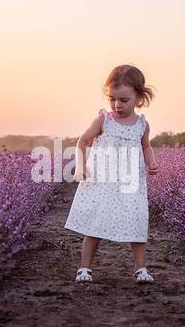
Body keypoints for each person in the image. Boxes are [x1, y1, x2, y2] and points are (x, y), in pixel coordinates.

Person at [64, 64, 159, 283]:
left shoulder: (142, 125)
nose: (117, 105)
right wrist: (80, 166)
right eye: (112, 99)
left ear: (139, 99)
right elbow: (82, 141)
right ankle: (84, 268)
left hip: (131, 184)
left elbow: (145, 146)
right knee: (95, 224)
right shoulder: (103, 120)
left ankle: (141, 269)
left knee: (137, 222)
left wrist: (151, 161)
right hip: (103, 182)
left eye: (124, 100)